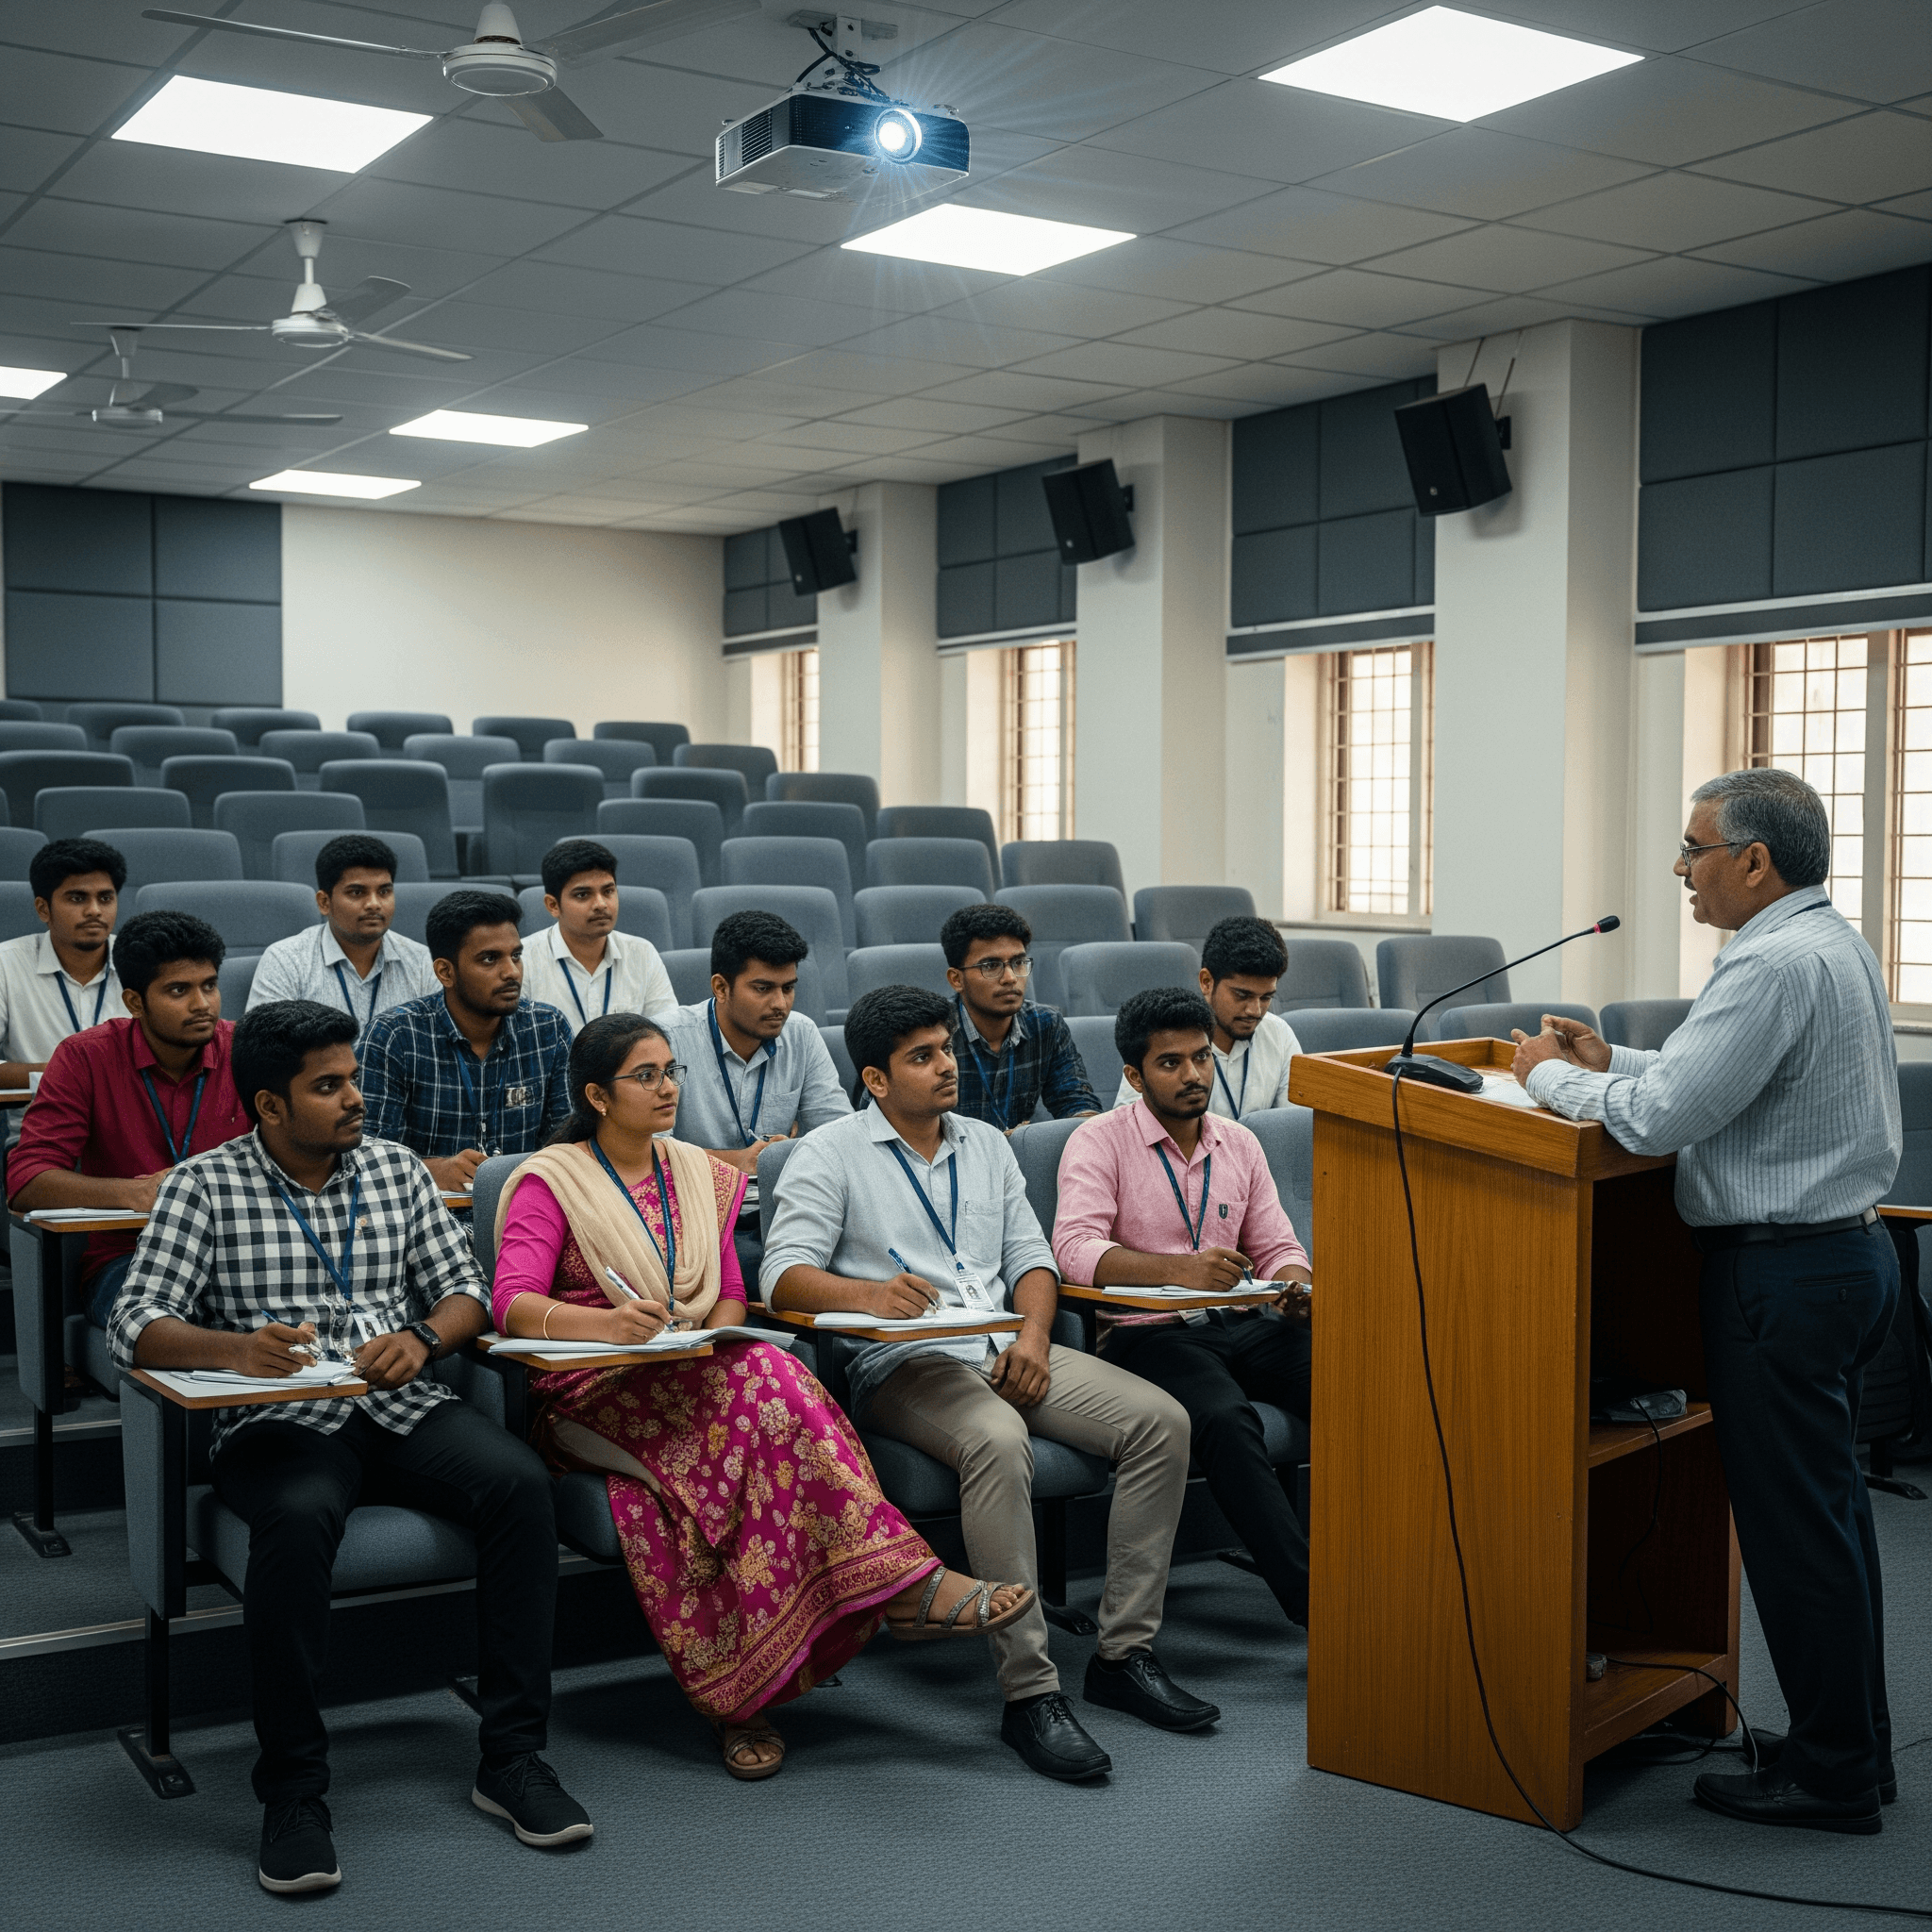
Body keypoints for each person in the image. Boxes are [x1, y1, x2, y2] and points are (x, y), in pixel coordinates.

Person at [108, 1000, 590, 1893]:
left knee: (521, 1485)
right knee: (296, 1518)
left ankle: (512, 1758)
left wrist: (426, 1339)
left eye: (354, 1078)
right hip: (278, 1416)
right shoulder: (203, 1187)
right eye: (327, 1087)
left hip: (397, 1399)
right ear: (269, 1107)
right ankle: (293, 1793)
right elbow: (134, 1324)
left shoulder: (396, 1169)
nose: (353, 1098)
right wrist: (232, 1348)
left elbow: (465, 1290)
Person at [491, 1012, 1032, 1781]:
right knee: (763, 1402)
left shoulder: (698, 1172)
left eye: (672, 1071)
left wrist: (706, 1336)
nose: (669, 1087)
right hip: (588, 1390)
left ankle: (768, 1680)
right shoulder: (554, 1181)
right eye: (646, 1076)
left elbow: (733, 1297)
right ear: (597, 1097)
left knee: (755, 1401)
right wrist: (609, 1326)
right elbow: (511, 1303)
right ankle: (894, 1592)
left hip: (693, 1372)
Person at [1513, 768, 1901, 1837]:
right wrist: (1612, 1055)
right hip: (1844, 1261)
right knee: (1830, 1527)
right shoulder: (1826, 941)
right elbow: (1724, 1081)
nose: (1679, 869)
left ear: (1752, 861)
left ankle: (1827, 1773)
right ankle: (1847, 1745)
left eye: (1691, 848)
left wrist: (1545, 1075)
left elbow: (1658, 1117)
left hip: (1780, 1275)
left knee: (1793, 1535)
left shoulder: (1766, 960)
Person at [763, 984, 1210, 1784]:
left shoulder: (986, 1144)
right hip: (903, 1364)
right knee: (1000, 1443)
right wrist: (865, 1295)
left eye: (947, 1050)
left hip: (1005, 1345)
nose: (947, 1067)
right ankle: (1030, 1690)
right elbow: (783, 1277)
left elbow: (1032, 1261)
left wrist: (1035, 1336)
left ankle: (1123, 1653)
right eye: (923, 1057)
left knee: (1161, 1422)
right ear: (874, 1080)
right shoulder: (828, 1153)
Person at [1061, 986, 1314, 1631]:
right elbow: (1075, 1250)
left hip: (1242, 1321)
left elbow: (1278, 1244)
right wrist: (1179, 1271)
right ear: (1133, 1075)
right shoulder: (1099, 1141)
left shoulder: (1239, 1143)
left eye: (1201, 1058)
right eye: (1171, 1063)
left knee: (1355, 1377)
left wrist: (1293, 1285)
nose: (1194, 1074)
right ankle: (1315, 1602)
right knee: (1227, 1420)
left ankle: (1395, 1562)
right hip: (1149, 1334)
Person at [9, 910, 250, 1329]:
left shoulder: (247, 1052)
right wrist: (135, 1194)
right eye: (179, 990)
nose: (201, 1005)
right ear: (135, 1001)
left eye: (209, 986)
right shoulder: (85, 1057)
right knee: (174, 1321)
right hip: (131, 1257)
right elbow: (27, 1181)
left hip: (242, 1250)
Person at [358, 891, 572, 1192]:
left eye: (515, 956)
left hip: (524, 1211)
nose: (511, 972)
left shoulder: (547, 1028)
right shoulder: (395, 1036)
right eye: (489, 959)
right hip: (432, 1216)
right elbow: (366, 1157)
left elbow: (569, 1147)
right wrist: (432, 1169)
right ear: (446, 972)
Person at [659, 908, 850, 1176]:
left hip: (781, 1203)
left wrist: (795, 1150)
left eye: (788, 988)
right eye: (763, 989)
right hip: (694, 1201)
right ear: (721, 988)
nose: (780, 1005)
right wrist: (735, 1161)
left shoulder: (801, 1034)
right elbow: (647, 1148)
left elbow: (842, 1136)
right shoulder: (666, 1037)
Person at [1110, 917, 1304, 1121]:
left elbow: (1294, 1123)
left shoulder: (1279, 1034)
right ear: (1206, 982)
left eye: (1266, 997)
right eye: (1242, 995)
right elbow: (1129, 1127)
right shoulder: (1163, 1035)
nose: (1255, 1011)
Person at [246, 834, 438, 1040]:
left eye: (384, 891)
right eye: (357, 892)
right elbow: (262, 1050)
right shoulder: (286, 960)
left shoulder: (421, 962)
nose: (374, 903)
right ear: (324, 902)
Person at [941, 903, 1099, 1131]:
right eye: (991, 966)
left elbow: (1077, 1103)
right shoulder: (934, 1032)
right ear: (957, 979)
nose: (1010, 978)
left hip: (1019, 1159)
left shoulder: (1046, 1024)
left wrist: (1035, 1137)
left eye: (1018, 963)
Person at [0, 838, 125, 1094]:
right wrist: (67, 1072)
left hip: (133, 1128)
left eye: (105, 898)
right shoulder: (5, 964)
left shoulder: (144, 961)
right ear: (43, 909)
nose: (94, 910)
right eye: (77, 898)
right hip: (42, 1127)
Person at [517, 837, 676, 1033]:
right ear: (553, 905)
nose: (601, 904)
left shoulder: (642, 953)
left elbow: (668, 1034)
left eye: (608, 891)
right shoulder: (522, 961)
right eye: (583, 895)